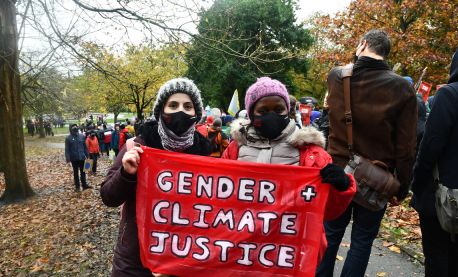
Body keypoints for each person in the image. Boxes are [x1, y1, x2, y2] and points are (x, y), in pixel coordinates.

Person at [222, 77, 356, 265]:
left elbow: (329, 211)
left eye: (278, 109)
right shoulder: (235, 150)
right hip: (242, 248)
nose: (271, 115)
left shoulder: (312, 154)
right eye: (263, 110)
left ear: (288, 111)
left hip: (290, 253)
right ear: (252, 113)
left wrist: (340, 187)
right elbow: (219, 198)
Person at [317, 30, 417, 277]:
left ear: (362, 45)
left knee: (329, 233)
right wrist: (401, 187)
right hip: (377, 176)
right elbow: (406, 147)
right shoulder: (403, 88)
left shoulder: (336, 77)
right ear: (386, 53)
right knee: (362, 242)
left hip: (337, 170)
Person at [100, 78, 212, 277]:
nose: (181, 111)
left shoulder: (205, 152)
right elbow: (109, 197)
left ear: (196, 114)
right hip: (135, 261)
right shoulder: (137, 146)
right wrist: (126, 173)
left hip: (186, 259)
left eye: (188, 106)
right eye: (173, 105)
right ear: (161, 110)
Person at [411, 39, 458, 277]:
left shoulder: (448, 95)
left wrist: (417, 186)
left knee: (436, 254)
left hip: (438, 193)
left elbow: (429, 147)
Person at [65, 124, 91, 191]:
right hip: (74, 159)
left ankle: (84, 185)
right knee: (76, 173)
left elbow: (85, 147)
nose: (75, 128)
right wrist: (68, 159)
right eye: (73, 127)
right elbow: (67, 149)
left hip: (82, 157)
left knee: (83, 172)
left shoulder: (82, 136)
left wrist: (87, 156)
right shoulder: (68, 138)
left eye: (76, 127)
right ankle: (77, 187)